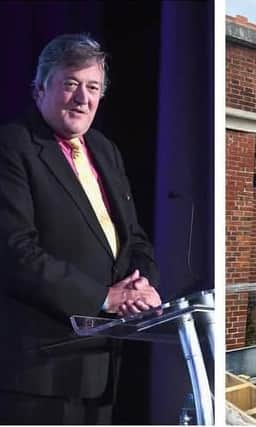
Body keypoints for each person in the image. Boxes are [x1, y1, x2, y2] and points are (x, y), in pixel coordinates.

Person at [0, 34, 161, 424]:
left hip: (101, 366)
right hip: (39, 370)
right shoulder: (12, 145)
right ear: (40, 88)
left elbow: (133, 238)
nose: (82, 98)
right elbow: (15, 251)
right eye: (70, 84)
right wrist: (104, 297)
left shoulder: (104, 150)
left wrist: (143, 286)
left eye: (92, 87)